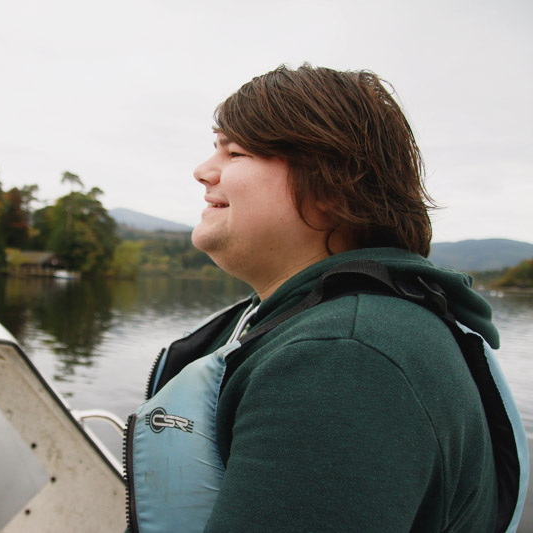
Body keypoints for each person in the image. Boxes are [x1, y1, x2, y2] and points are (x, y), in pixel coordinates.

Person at [123, 64, 528, 532]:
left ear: (331, 185)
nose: (202, 171)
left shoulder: (342, 358)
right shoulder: (358, 328)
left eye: (234, 152)